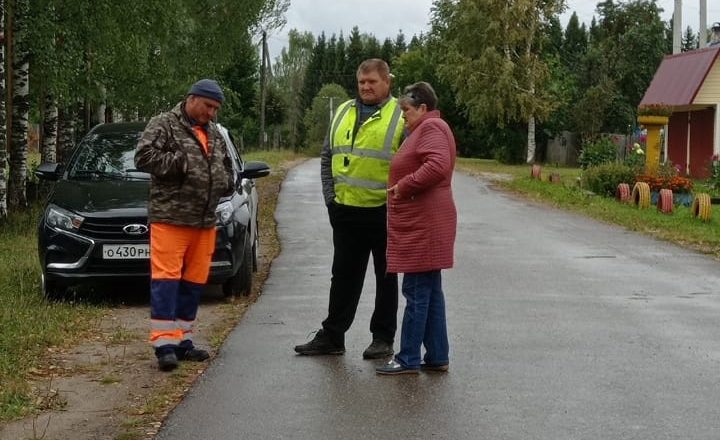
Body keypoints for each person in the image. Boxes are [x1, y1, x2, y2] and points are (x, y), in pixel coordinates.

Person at [294, 59, 405, 359]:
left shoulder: (400, 115)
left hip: (384, 212)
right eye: (362, 82)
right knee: (342, 276)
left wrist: (399, 205)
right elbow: (327, 156)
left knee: (386, 277)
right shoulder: (343, 110)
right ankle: (333, 336)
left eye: (372, 82)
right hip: (344, 212)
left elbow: (410, 164)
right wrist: (331, 200)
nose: (366, 87)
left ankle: (382, 338)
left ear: (387, 82)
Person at [135, 79, 234, 371]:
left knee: (194, 282)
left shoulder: (214, 132)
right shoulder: (164, 124)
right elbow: (143, 157)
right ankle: (164, 344)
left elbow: (226, 165)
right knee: (166, 280)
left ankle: (183, 340)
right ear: (192, 99)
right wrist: (182, 162)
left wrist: (225, 181)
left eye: (216, 109)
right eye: (208, 106)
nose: (212, 114)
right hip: (171, 218)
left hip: (204, 220)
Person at [375, 81, 457, 375]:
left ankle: (408, 357)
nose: (403, 115)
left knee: (416, 290)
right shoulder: (429, 128)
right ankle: (436, 355)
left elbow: (437, 165)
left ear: (423, 108)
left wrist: (403, 187)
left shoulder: (431, 128)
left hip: (424, 226)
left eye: (406, 109)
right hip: (427, 224)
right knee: (430, 291)